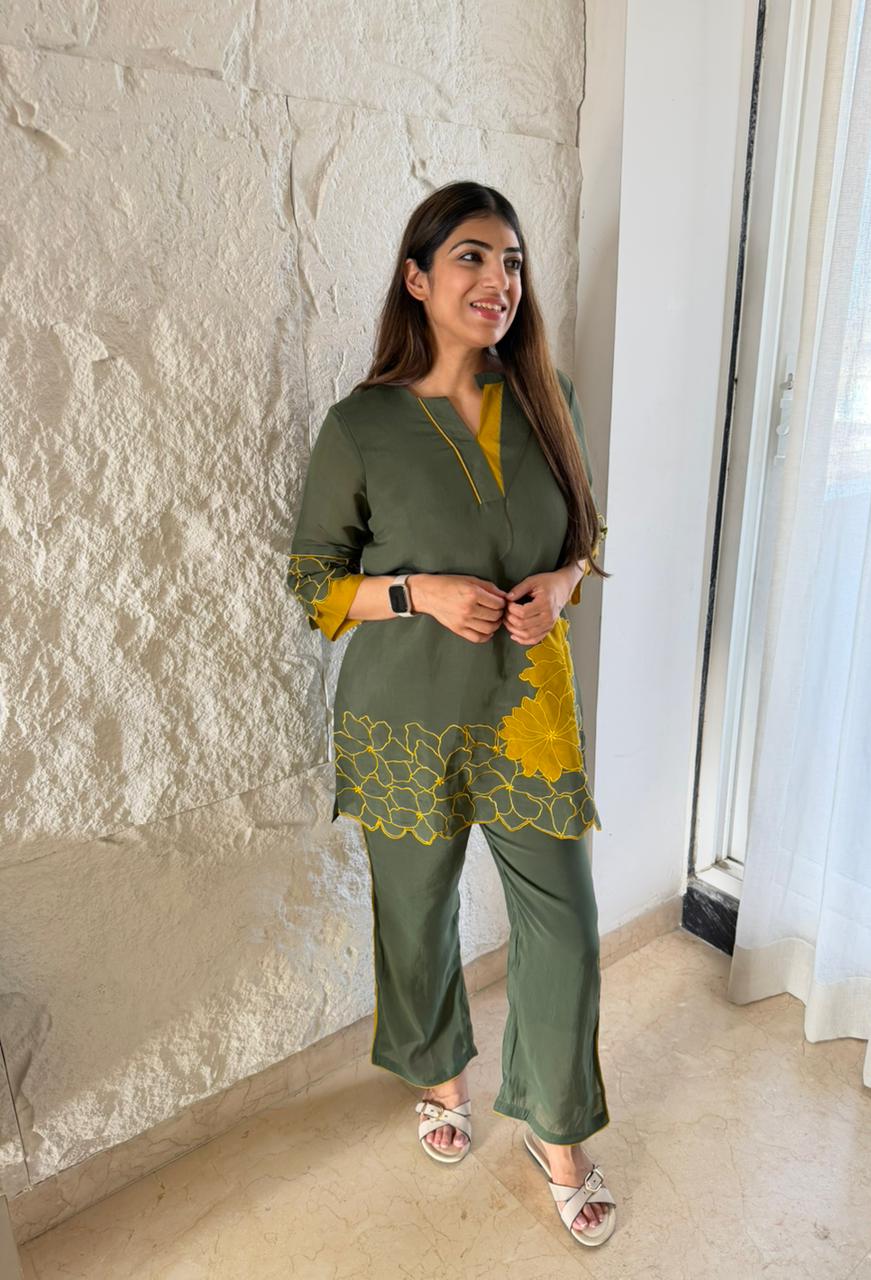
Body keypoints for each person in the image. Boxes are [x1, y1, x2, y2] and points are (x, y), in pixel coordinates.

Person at [286, 180, 616, 1246]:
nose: (498, 280)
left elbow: (586, 533)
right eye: (472, 256)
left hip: (527, 716)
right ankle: (439, 1075)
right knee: (417, 912)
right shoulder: (362, 424)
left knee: (564, 922)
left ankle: (557, 1129)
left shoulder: (548, 396)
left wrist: (563, 583)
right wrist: (417, 592)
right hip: (405, 718)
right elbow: (313, 581)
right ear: (418, 279)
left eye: (512, 261)